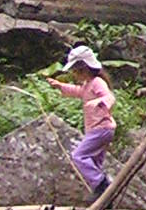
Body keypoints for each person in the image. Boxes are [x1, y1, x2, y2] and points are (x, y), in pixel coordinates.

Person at [48, 42, 117, 198]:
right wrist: (60, 86)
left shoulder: (98, 82)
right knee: (94, 161)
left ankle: (101, 183)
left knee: (79, 156)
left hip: (101, 128)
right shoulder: (88, 85)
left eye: (75, 71)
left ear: (84, 69)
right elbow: (79, 91)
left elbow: (109, 97)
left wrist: (99, 102)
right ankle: (104, 196)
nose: (74, 74)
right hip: (98, 129)